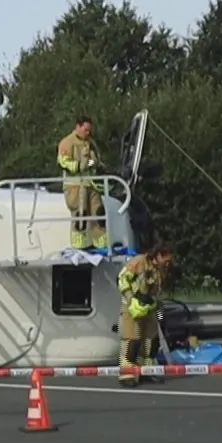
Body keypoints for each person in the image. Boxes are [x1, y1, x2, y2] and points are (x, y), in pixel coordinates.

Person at [116, 242, 173, 387]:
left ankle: (145, 372)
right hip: (132, 309)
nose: (168, 263)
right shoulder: (139, 261)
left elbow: (158, 293)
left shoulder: (161, 270)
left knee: (151, 342)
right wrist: (131, 300)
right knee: (132, 342)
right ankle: (127, 375)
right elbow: (122, 278)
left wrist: (160, 315)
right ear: (158, 255)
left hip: (150, 308)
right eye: (166, 259)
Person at [56, 116, 108, 250]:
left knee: (99, 215)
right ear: (77, 127)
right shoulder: (67, 142)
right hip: (75, 186)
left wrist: (92, 162)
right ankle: (79, 248)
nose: (88, 133)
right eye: (86, 130)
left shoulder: (91, 142)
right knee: (80, 217)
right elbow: (63, 161)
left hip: (91, 184)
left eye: (89, 130)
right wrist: (79, 165)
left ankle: (102, 246)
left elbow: (95, 161)